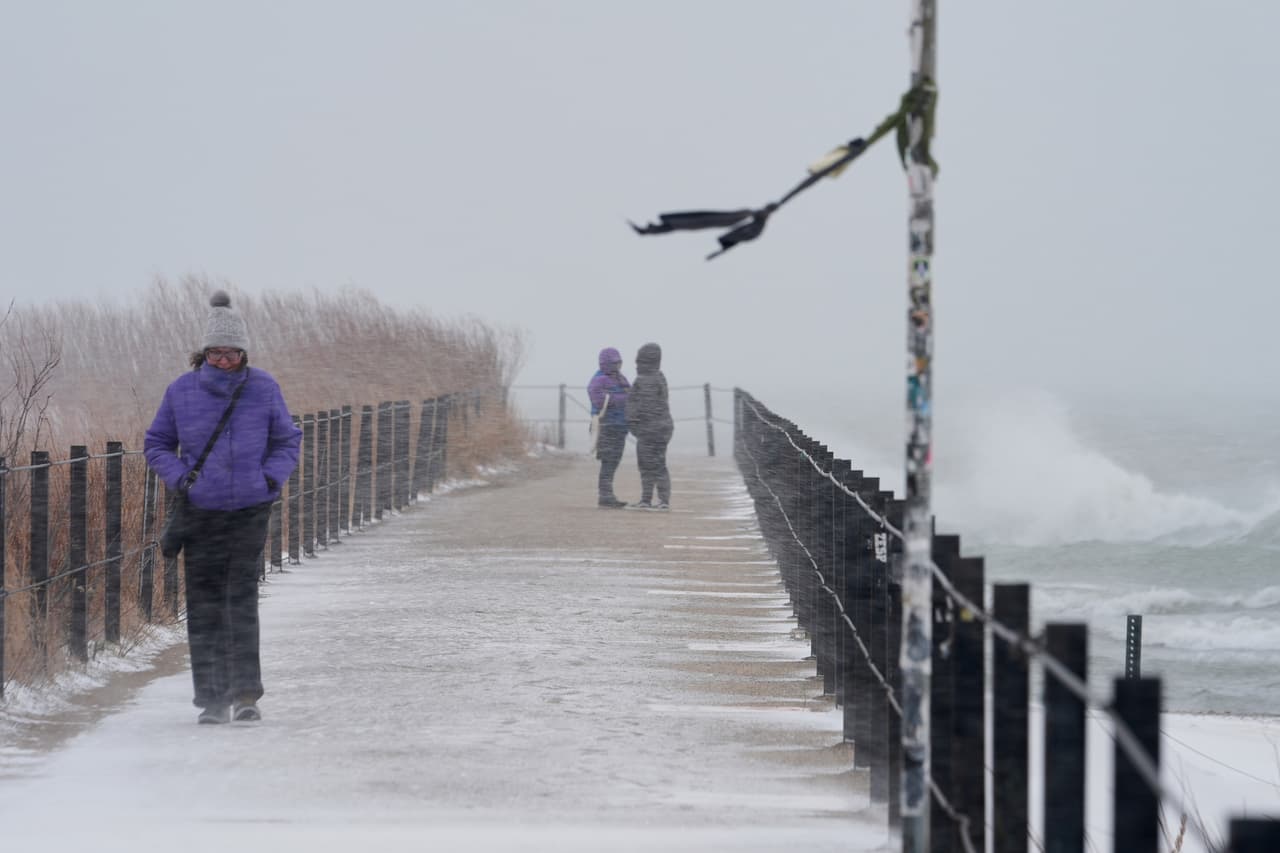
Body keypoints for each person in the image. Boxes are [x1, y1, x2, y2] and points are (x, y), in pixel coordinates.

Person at [144, 291, 302, 724]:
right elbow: (156, 443)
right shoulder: (181, 391)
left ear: (244, 353)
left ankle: (246, 695)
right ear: (204, 353)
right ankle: (212, 700)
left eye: (231, 353)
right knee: (204, 605)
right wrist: (182, 479)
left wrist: (268, 479)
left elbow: (287, 440)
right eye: (216, 352)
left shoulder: (264, 388)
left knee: (241, 602)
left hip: (249, 511)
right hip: (201, 513)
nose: (224, 360)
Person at [626, 342, 674, 510]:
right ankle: (663, 500)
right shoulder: (660, 377)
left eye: (638, 361)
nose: (636, 365)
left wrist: (633, 424)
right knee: (660, 464)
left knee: (646, 465)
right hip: (662, 428)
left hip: (649, 430)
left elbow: (640, 407)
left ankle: (646, 499)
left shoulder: (643, 380)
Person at [587, 346, 630, 508]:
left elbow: (630, 393)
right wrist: (622, 399)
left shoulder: (620, 378)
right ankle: (605, 495)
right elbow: (598, 400)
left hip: (620, 426)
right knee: (608, 461)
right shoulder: (599, 379)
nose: (618, 365)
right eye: (615, 362)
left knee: (614, 460)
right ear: (607, 363)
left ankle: (607, 494)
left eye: (619, 362)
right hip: (607, 426)